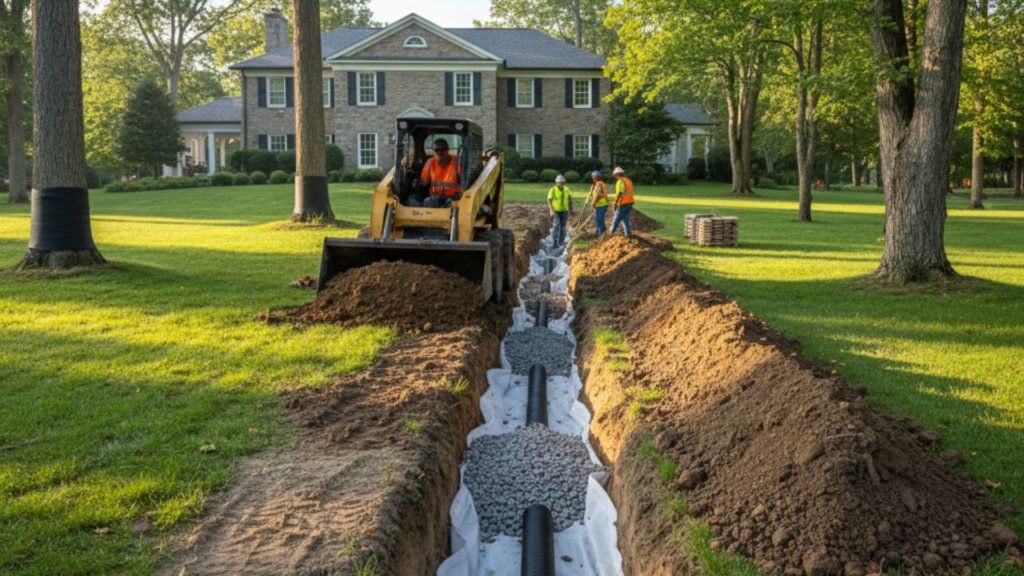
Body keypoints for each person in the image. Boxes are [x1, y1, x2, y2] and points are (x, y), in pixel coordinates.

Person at [420, 138, 461, 207]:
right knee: (425, 201)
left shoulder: (457, 162)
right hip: (434, 199)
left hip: (452, 199)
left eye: (442, 149)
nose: (440, 153)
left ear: (447, 149)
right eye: (437, 150)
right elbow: (424, 182)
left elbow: (465, 182)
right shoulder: (430, 162)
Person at [547, 174, 573, 246]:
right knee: (556, 225)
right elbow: (549, 200)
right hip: (556, 211)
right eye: (559, 182)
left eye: (562, 182)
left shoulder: (567, 189)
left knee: (563, 227)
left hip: (565, 211)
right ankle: (555, 242)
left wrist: (571, 209)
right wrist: (551, 210)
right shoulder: (553, 190)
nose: (561, 184)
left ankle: (561, 242)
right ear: (556, 183)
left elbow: (570, 199)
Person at [610, 166, 635, 237]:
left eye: (615, 175)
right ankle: (628, 235)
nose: (614, 176)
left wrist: (615, 203)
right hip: (630, 202)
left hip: (623, 203)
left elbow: (620, 192)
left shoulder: (620, 181)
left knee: (615, 220)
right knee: (625, 219)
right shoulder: (628, 180)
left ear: (617, 174)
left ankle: (609, 235)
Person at [589, 170, 609, 236]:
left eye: (593, 177)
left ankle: (601, 236)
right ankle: (600, 233)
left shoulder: (599, 184)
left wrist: (593, 203)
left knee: (599, 221)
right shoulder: (597, 184)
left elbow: (598, 195)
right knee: (598, 220)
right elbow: (594, 194)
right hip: (599, 205)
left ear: (596, 177)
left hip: (601, 205)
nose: (592, 178)